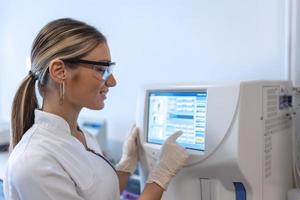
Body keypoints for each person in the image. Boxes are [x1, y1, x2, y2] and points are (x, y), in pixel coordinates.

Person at [3, 18, 189, 200]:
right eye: (101, 70)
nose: (112, 82)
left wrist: (126, 164)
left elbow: (98, 193)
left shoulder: (81, 135)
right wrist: (159, 178)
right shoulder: (35, 163)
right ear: (60, 71)